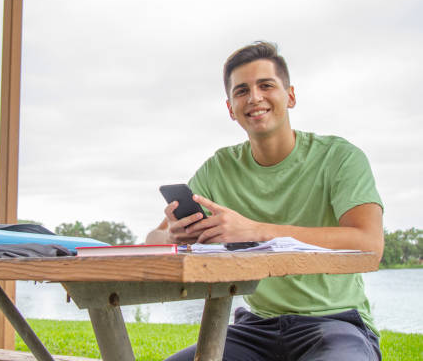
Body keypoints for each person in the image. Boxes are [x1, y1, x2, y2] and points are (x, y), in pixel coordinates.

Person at [146, 41, 384, 361]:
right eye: (241, 90)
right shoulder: (219, 167)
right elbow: (152, 239)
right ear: (231, 108)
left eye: (266, 85)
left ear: (291, 96)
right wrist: (172, 237)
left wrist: (257, 230)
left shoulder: (340, 157)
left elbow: (369, 246)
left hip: (334, 322)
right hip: (256, 327)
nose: (254, 97)